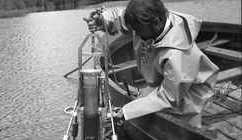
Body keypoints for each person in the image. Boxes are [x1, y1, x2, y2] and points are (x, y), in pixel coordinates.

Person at [83, 0, 219, 128]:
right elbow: (121, 17)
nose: (137, 34)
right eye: (135, 29)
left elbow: (168, 97)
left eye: (140, 31)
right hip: (163, 83)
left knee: (185, 127)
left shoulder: (178, 55)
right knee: (148, 100)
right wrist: (102, 21)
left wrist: (128, 110)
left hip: (187, 95)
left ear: (157, 22)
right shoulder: (146, 20)